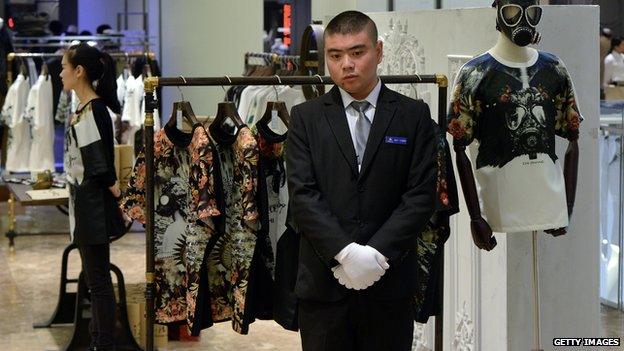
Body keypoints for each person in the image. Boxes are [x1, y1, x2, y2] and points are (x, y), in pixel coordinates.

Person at [286, 10, 437, 351]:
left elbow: (420, 195)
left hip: (390, 282)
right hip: (325, 286)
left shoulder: (413, 116)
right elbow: (303, 195)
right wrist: (345, 253)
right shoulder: (305, 117)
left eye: (357, 52)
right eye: (335, 56)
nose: (346, 64)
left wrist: (375, 255)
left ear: (379, 52)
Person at [60, 43, 124, 351]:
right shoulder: (84, 110)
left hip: (94, 208)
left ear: (79, 71)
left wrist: (114, 188)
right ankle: (98, 339)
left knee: (98, 281)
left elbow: (100, 164)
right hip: (85, 205)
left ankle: (103, 343)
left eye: (64, 67)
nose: (61, 74)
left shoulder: (95, 110)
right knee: (94, 277)